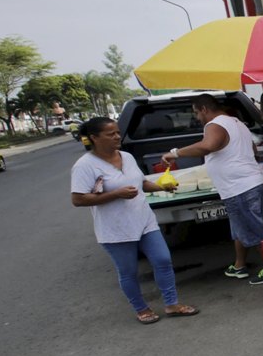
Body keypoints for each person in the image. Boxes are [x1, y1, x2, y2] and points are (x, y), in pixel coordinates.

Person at [71, 117, 198, 324]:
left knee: (163, 260)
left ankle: (172, 304)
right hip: (115, 228)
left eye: (118, 132)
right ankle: (141, 308)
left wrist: (161, 187)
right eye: (110, 134)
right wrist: (116, 194)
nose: (117, 137)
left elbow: (141, 183)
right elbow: (78, 199)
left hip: (144, 220)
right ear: (94, 138)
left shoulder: (127, 157)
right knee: (128, 271)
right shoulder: (85, 166)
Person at [160, 93, 263, 285]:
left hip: (239, 187)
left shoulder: (215, 124)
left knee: (252, 228)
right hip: (248, 183)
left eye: (196, 113)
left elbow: (207, 146)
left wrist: (176, 152)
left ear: (204, 109)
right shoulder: (236, 122)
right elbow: (251, 149)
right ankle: (239, 265)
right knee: (240, 228)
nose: (197, 118)